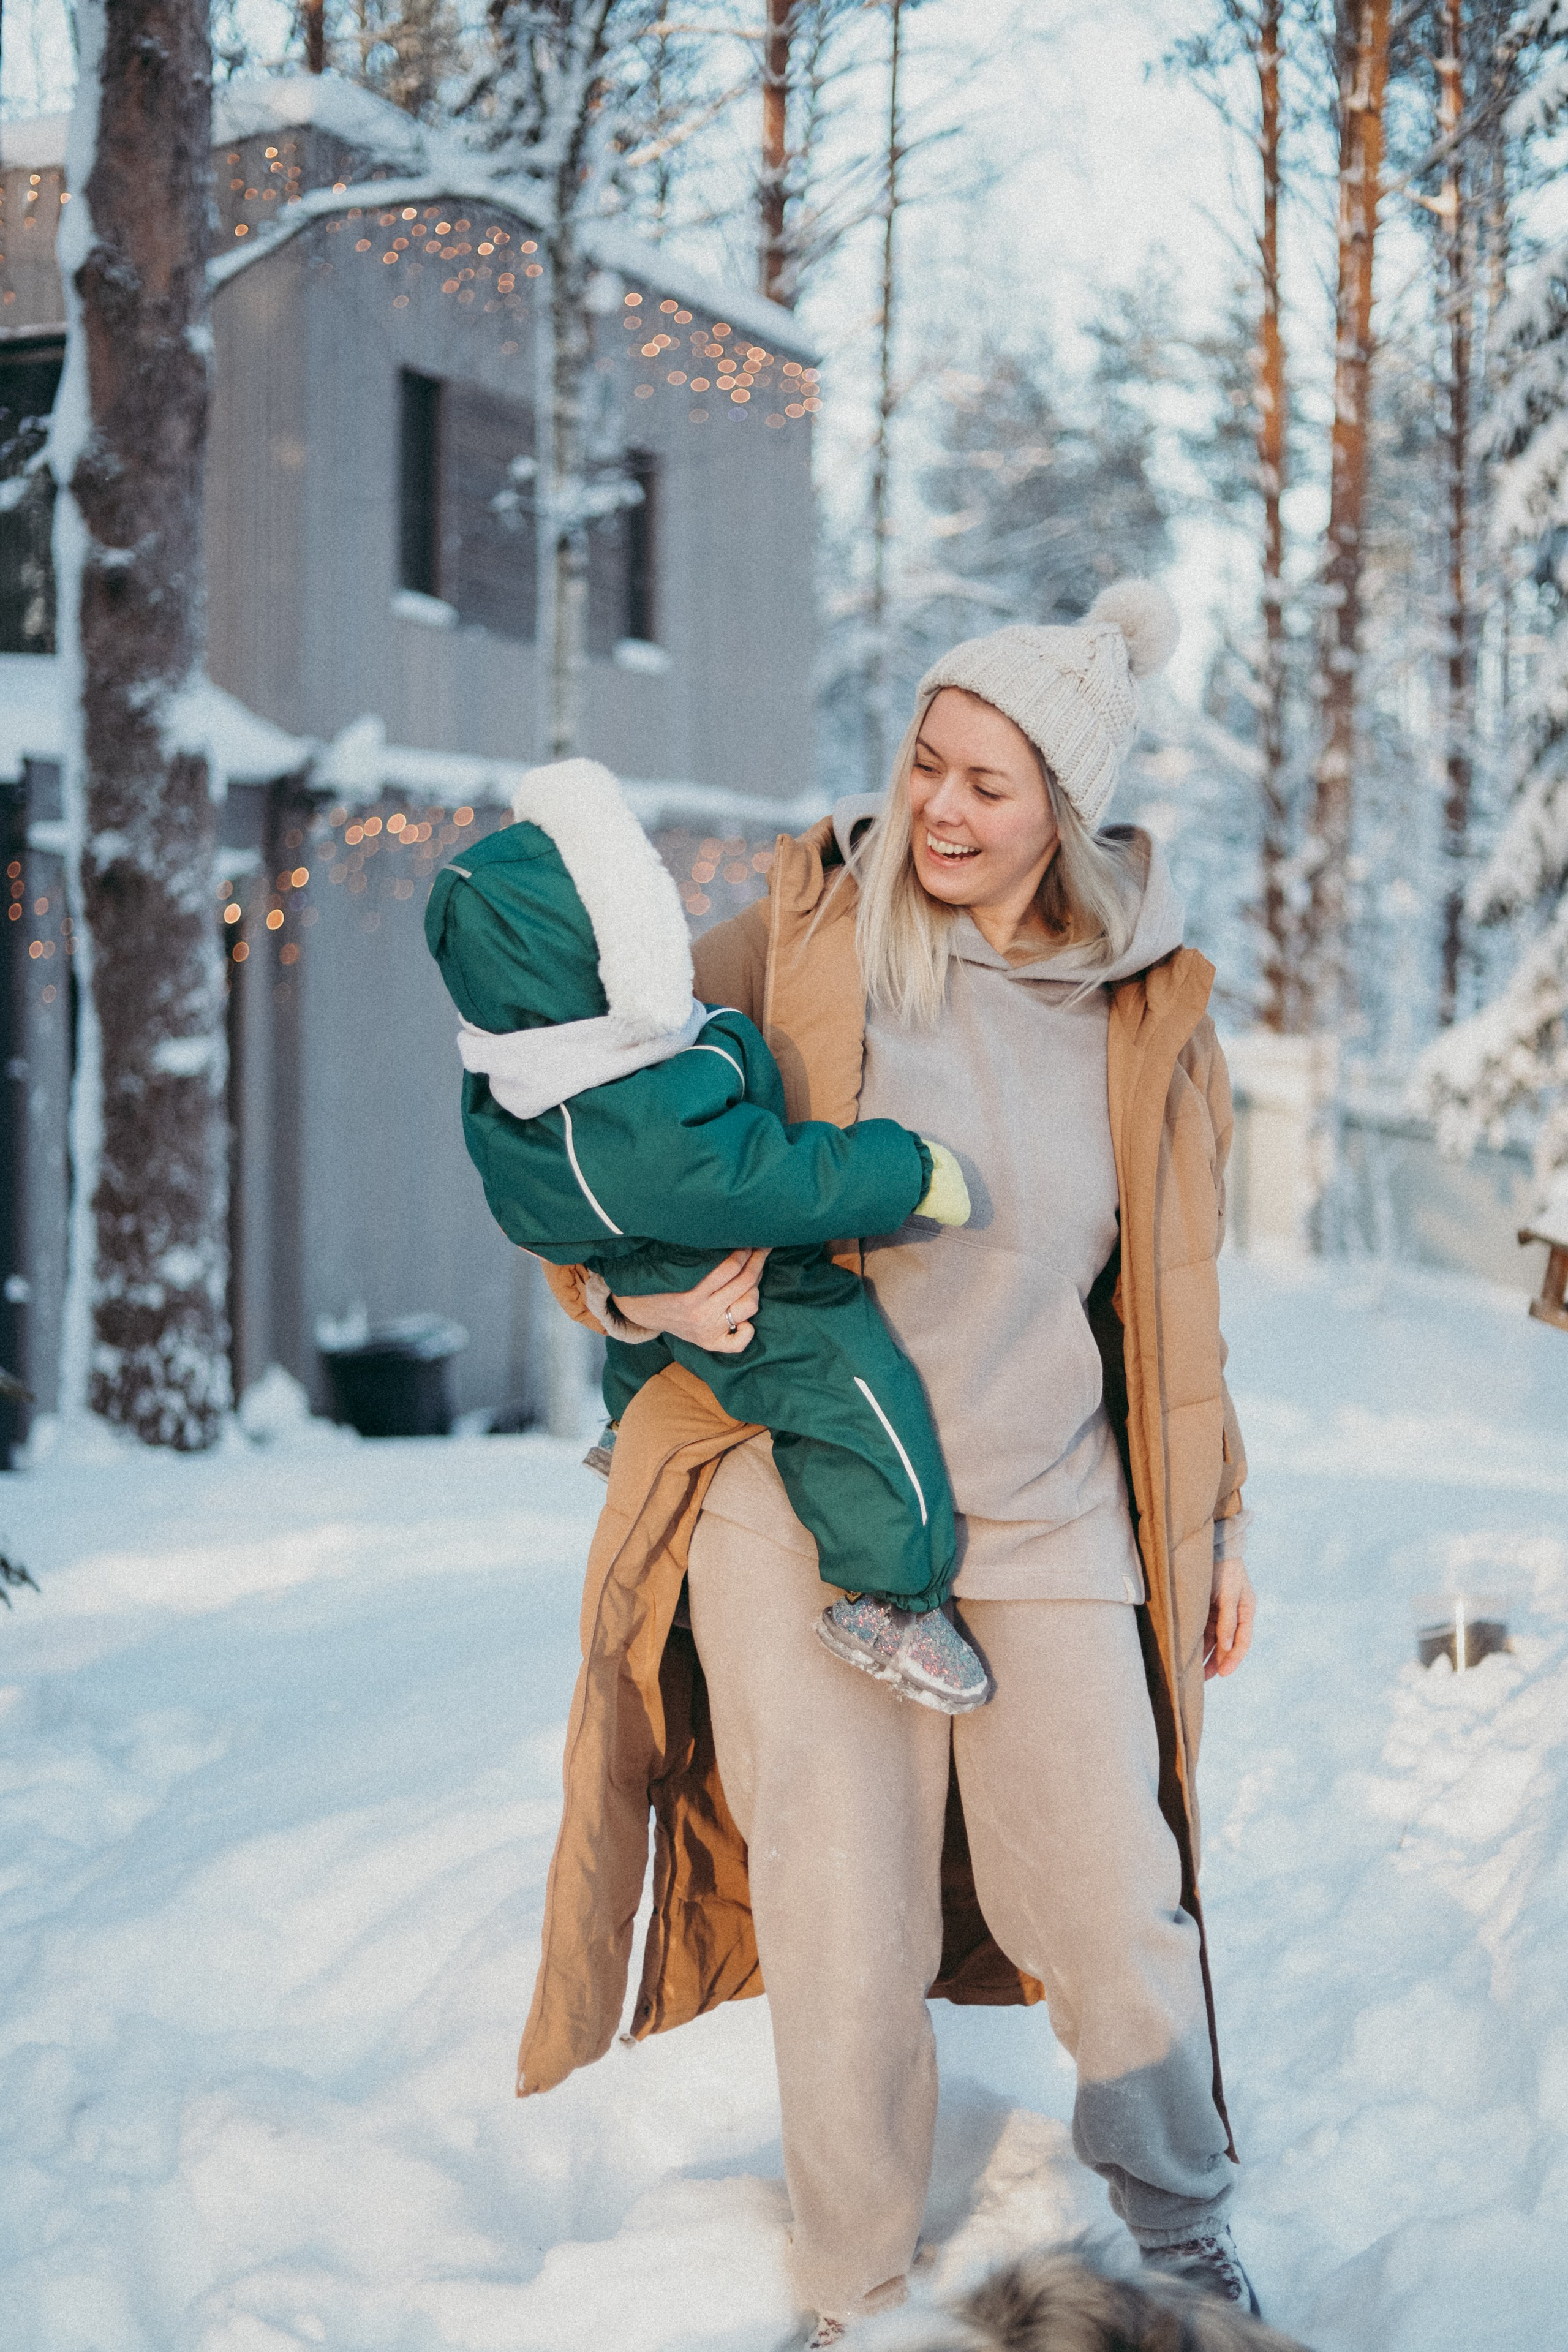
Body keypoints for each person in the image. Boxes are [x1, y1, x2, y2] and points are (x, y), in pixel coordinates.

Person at [517, 577, 1260, 2345]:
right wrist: (639, 1310)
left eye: (987, 787)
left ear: (1062, 814)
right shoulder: (794, 943)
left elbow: (1174, 1299)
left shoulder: (1147, 1011)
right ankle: (852, 2288)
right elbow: (589, 1133)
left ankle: (1181, 2230)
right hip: (800, 1497)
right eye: (928, 764)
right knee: (842, 1919)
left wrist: (1221, 1513)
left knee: (1108, 1890)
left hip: (1044, 1494)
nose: (938, 809)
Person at [424, 756, 989, 1711]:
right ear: (596, 954)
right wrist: (902, 1169)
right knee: (852, 1391)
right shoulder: (639, 1125)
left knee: (654, 1297)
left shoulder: (520, 1082)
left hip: (660, 1263)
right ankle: (892, 1597)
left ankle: (629, 1415)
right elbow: (776, 1180)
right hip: (754, 1284)